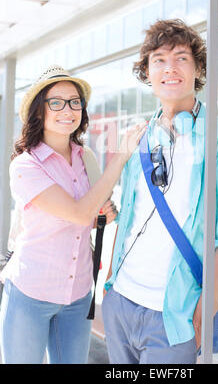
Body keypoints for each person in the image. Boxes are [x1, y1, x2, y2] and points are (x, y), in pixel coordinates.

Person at [102, 19, 218, 364]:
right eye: (159, 59)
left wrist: (200, 318)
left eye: (181, 58)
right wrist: (110, 284)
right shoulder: (137, 137)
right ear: (147, 72)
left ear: (198, 68)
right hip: (120, 302)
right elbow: (129, 218)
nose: (170, 68)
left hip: (175, 317)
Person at [0, 65, 146, 364]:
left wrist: (107, 212)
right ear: (39, 111)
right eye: (56, 102)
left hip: (78, 294)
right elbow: (79, 213)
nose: (68, 109)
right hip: (31, 293)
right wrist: (120, 158)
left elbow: (92, 216)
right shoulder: (25, 166)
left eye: (75, 101)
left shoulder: (86, 157)